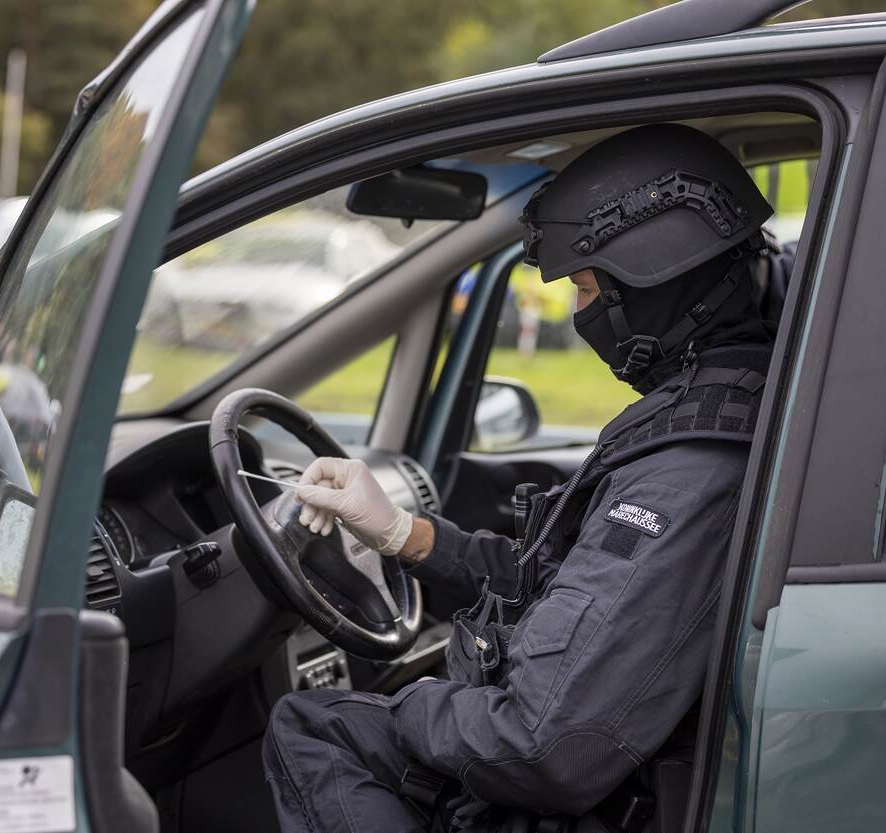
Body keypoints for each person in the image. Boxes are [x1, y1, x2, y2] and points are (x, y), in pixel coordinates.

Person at [263, 123, 778, 833]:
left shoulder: (685, 473)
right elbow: (564, 581)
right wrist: (403, 534)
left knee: (315, 724)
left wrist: (414, 701)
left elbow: (543, 747)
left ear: (657, 279)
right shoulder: (716, 407)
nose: (579, 311)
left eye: (589, 286)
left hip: (584, 793)